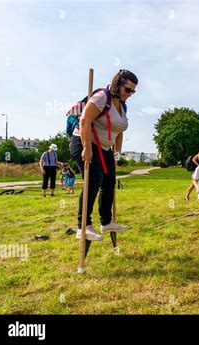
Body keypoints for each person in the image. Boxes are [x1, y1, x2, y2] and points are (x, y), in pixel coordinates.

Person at [70, 69, 137, 241]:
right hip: (84, 142)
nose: (130, 94)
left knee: (109, 182)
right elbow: (85, 120)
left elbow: (119, 131)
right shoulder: (102, 97)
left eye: (133, 91)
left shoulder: (122, 106)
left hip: (106, 149)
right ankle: (83, 227)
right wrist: (87, 148)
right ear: (117, 84)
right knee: (94, 179)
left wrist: (116, 154)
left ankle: (106, 222)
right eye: (127, 90)